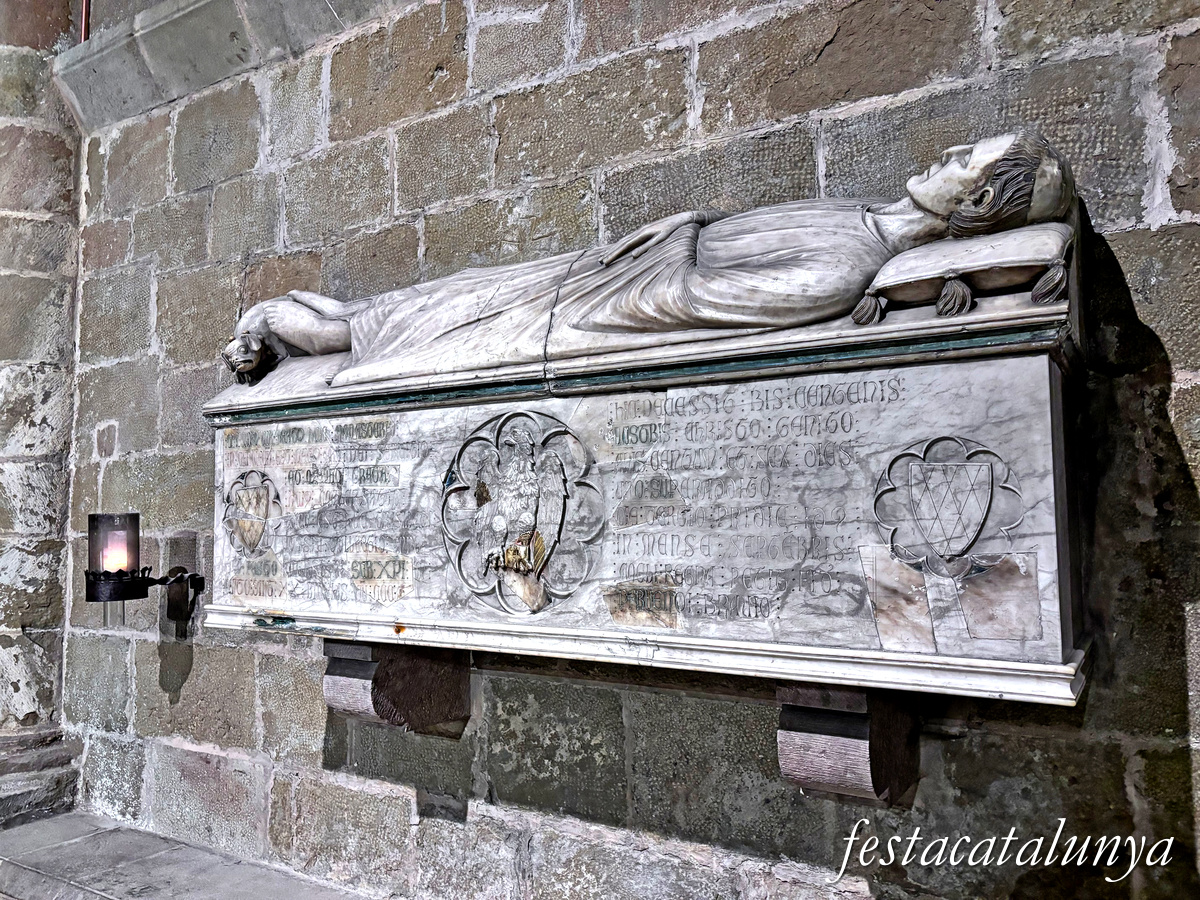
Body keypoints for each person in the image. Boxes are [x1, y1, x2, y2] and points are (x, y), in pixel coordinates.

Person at [222, 129, 1074, 388]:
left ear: (977, 207)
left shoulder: (847, 267)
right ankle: (267, 325)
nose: (948, 154)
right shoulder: (852, 213)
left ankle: (269, 330)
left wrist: (665, 243)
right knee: (404, 307)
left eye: (966, 162)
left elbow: (692, 305)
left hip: (588, 304)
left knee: (383, 335)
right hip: (595, 271)